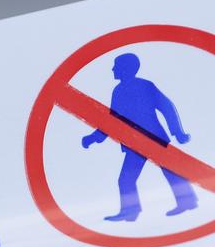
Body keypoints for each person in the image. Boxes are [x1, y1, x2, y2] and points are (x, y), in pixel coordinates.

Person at [81, 52, 197, 221]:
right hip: (136, 143)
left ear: (125, 69)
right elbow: (112, 120)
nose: (113, 69)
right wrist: (94, 138)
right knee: (128, 178)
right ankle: (131, 211)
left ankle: (184, 202)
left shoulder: (144, 86)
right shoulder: (119, 91)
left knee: (167, 172)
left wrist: (178, 131)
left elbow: (167, 107)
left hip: (153, 139)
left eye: (116, 66)